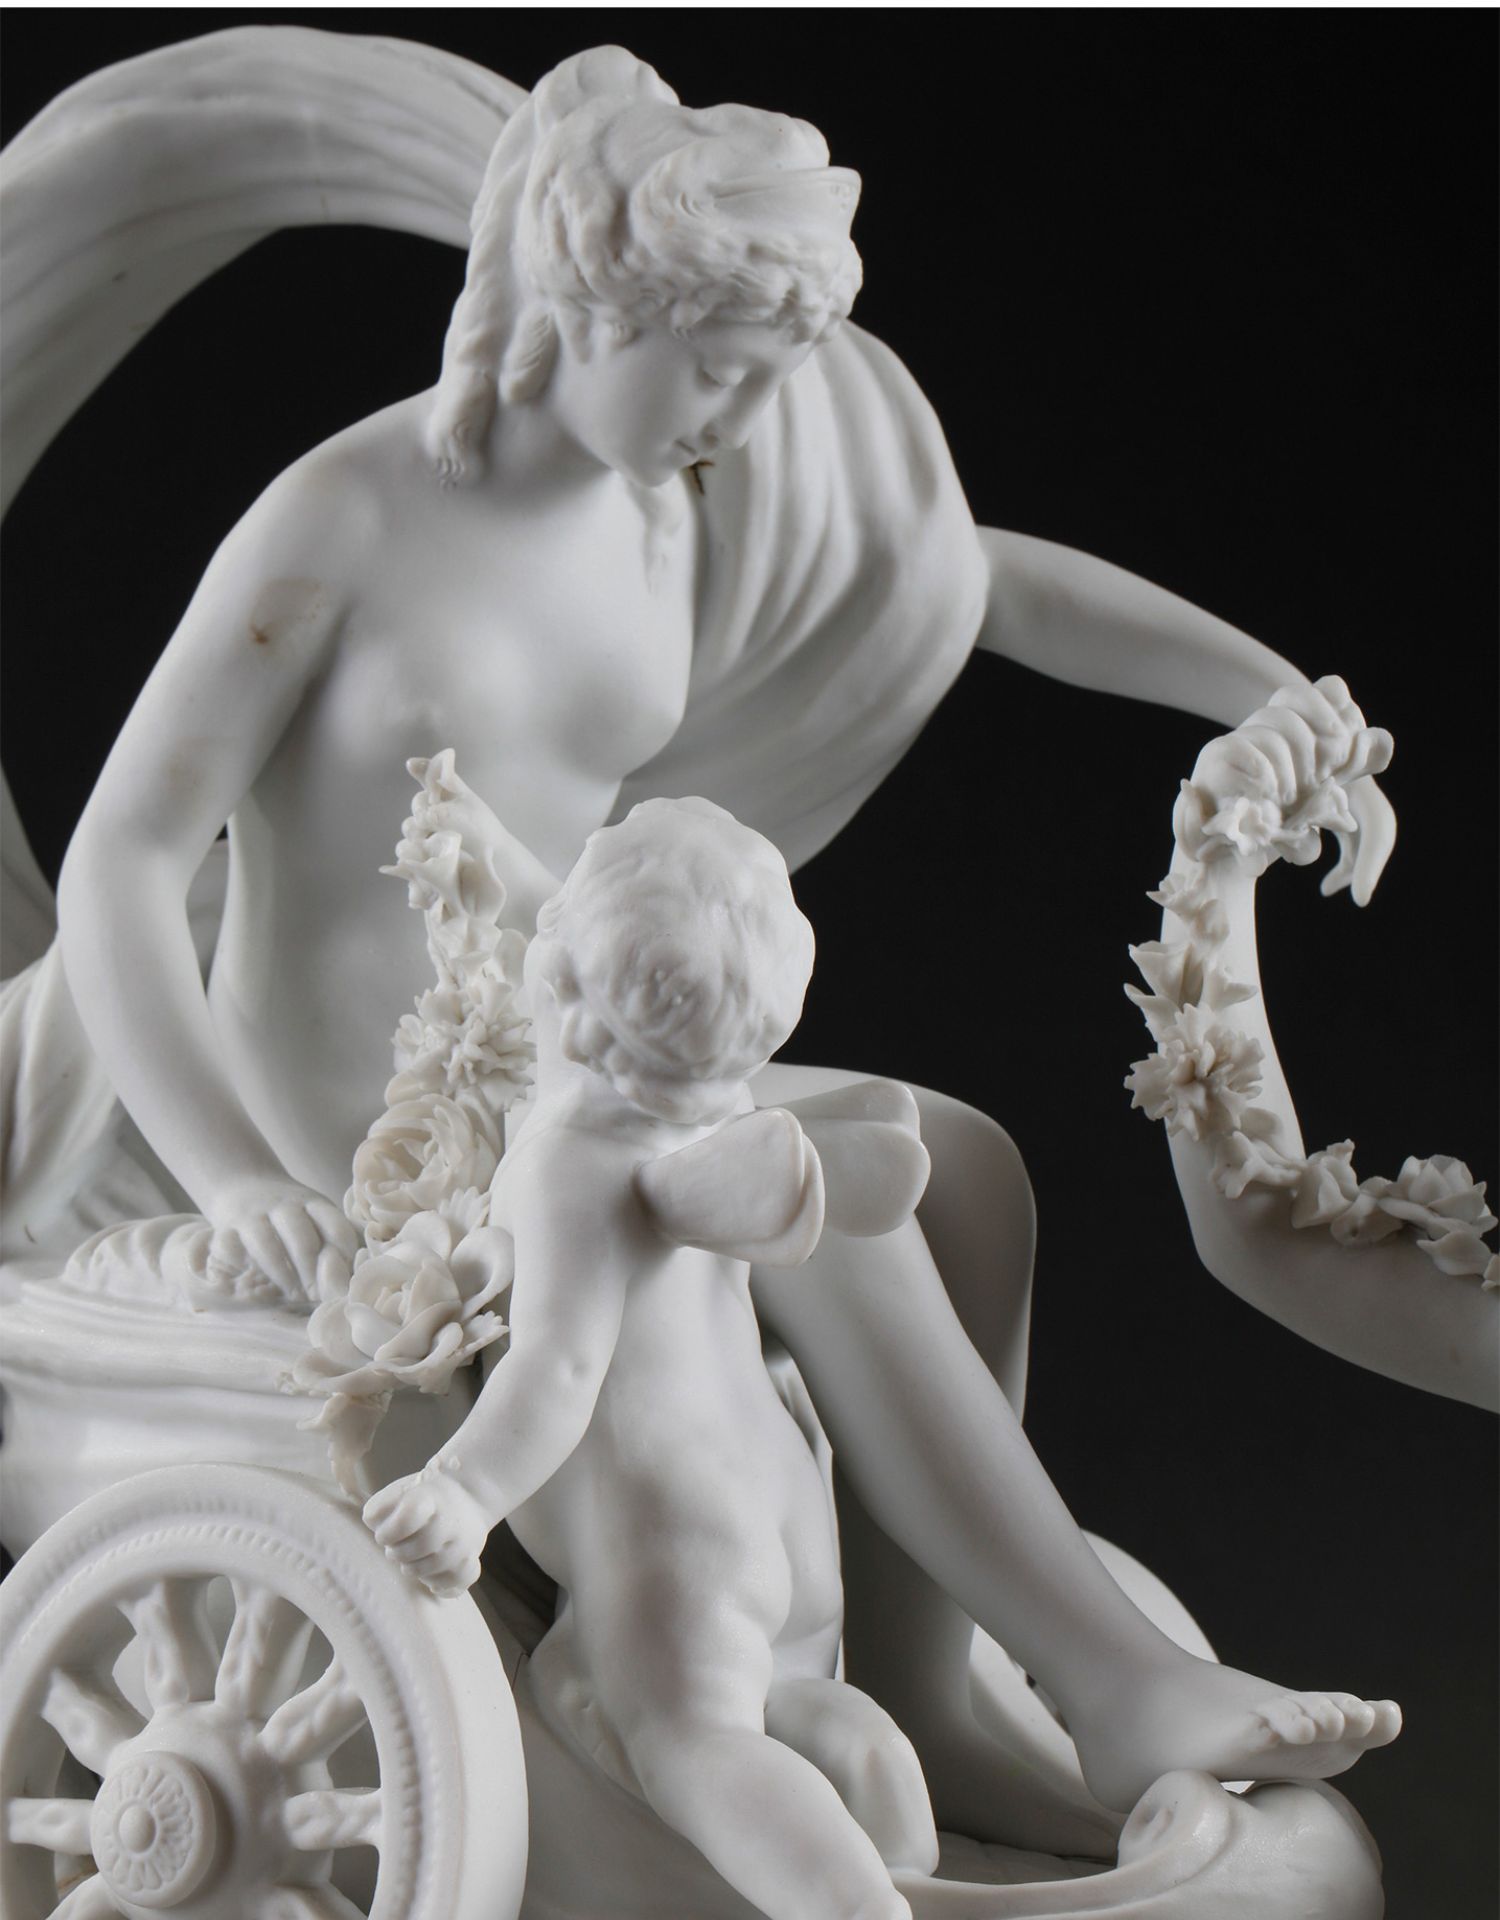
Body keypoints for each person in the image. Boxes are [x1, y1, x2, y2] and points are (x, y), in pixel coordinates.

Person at [36, 43, 1398, 1855]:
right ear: (592, 308)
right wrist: (229, 1173)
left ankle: (931, 1686)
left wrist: (1263, 690)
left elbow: (971, 586)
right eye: (718, 371)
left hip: (588, 1059)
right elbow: (122, 862)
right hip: (375, 1110)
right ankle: (1105, 1671)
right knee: (832, 1201)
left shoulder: (661, 513)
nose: (744, 421)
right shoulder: (343, 519)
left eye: (767, 380)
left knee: (961, 1172)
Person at [364, 796, 1394, 1920]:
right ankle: (901, 1828)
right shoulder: (713, 1121)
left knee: (695, 1741)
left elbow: (559, 1372)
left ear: (558, 981)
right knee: (830, 1724)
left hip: (673, 1548)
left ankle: (856, 1908)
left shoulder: (566, 1165)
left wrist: (464, 1491)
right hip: (785, 1520)